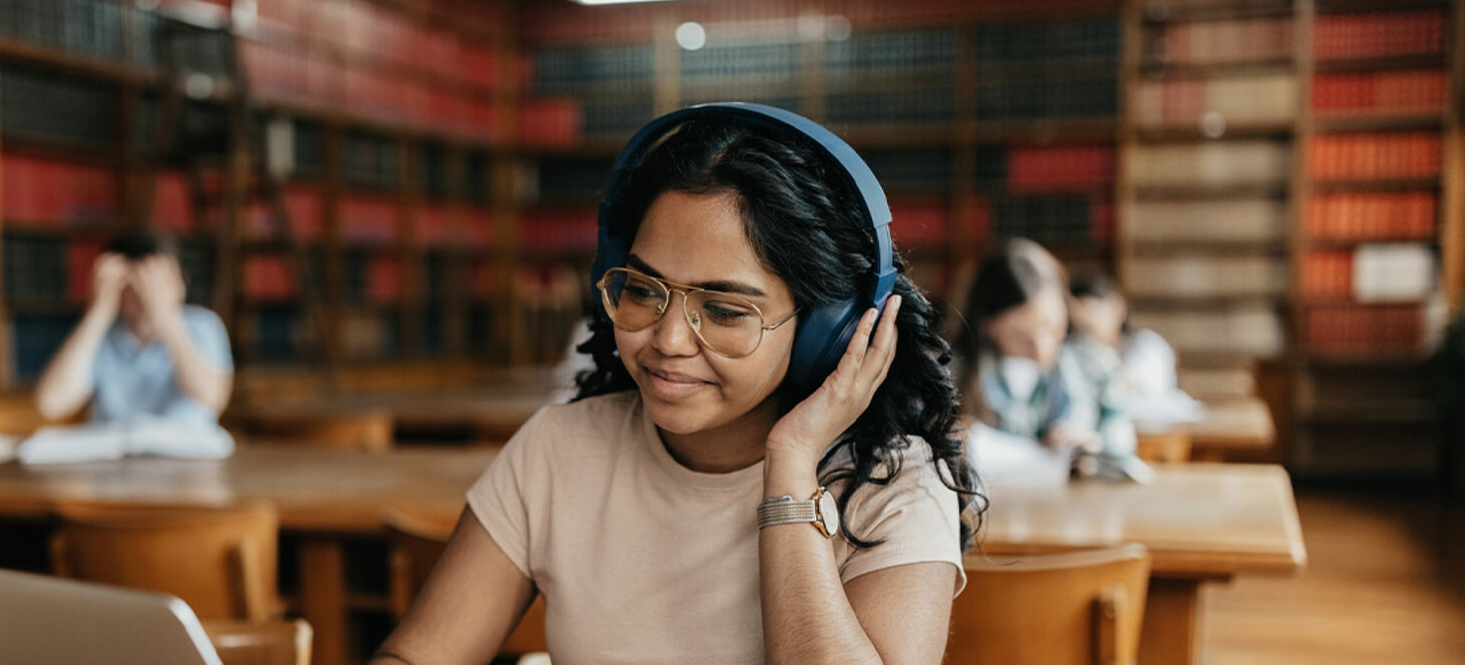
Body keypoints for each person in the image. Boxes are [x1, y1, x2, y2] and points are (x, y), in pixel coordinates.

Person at [373, 108, 984, 663]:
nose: (667, 340)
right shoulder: (560, 450)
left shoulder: (894, 485)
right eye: (643, 290)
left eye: (723, 310)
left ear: (830, 330)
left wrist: (792, 464)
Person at [32, 229, 234, 456]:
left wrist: (167, 319)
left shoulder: (202, 326)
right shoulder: (102, 335)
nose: (145, 293)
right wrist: (98, 311)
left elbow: (212, 398)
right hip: (115, 468)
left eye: (155, 280)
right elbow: (50, 404)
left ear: (181, 281)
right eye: (133, 284)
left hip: (189, 466)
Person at [954, 240, 1139, 482]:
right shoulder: (954, 374)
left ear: (1066, 308)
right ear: (988, 326)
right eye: (1020, 336)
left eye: (1052, 328)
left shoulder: (1096, 366)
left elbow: (1123, 449)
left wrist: (1094, 445)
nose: (1042, 350)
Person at [1067, 272, 1203, 429]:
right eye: (1077, 316)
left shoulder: (1147, 346)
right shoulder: (1076, 350)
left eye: (1090, 310)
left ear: (1116, 306)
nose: (1085, 321)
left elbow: (1130, 386)